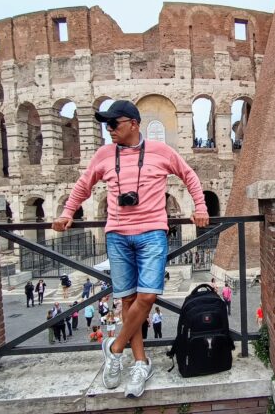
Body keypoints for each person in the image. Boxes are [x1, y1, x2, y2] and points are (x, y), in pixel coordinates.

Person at [52, 100, 209, 398]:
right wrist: (67, 212)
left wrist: (200, 206)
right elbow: (84, 185)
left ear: (134, 124)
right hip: (118, 236)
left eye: (114, 124)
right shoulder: (103, 154)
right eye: (106, 125)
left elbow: (189, 175)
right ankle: (140, 363)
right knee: (127, 300)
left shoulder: (161, 151)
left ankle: (114, 348)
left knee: (148, 295)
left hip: (152, 233)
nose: (109, 129)